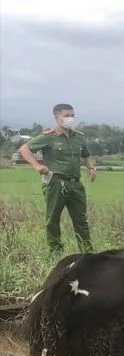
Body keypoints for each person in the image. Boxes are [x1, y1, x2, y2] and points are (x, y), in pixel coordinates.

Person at [18, 103, 97, 257]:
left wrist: (91, 168)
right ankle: (56, 253)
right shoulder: (49, 137)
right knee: (53, 220)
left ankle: (87, 253)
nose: (70, 119)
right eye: (67, 115)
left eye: (72, 115)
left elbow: (86, 155)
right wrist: (37, 166)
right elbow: (24, 149)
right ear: (57, 117)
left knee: (81, 221)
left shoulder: (78, 137)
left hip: (76, 183)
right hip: (56, 183)